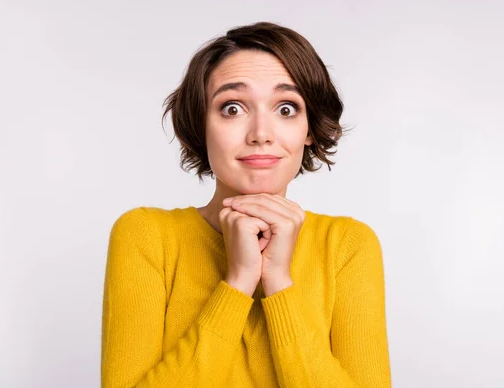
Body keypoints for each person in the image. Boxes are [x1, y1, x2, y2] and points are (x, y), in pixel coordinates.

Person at [101, 21, 391, 388]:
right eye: (233, 108)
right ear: (199, 124)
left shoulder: (348, 245)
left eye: (286, 109)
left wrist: (279, 283)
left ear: (310, 130)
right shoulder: (146, 236)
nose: (260, 134)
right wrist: (237, 283)